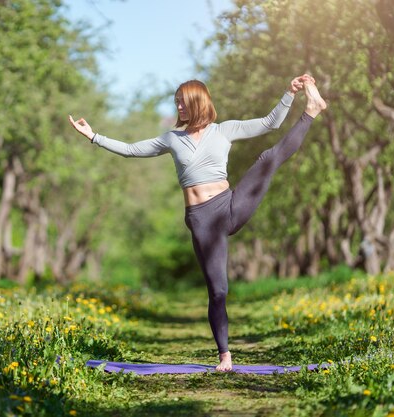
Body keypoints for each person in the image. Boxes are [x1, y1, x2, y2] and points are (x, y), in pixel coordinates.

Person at [68, 76, 327, 371]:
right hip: (202, 220)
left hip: (229, 205)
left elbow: (270, 123)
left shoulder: (223, 130)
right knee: (218, 290)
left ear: (198, 102)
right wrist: (93, 136)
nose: (179, 106)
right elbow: (130, 149)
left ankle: (312, 110)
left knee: (269, 157)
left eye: (183, 101)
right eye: (176, 101)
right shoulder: (171, 139)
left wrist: (289, 92)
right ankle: (225, 355)